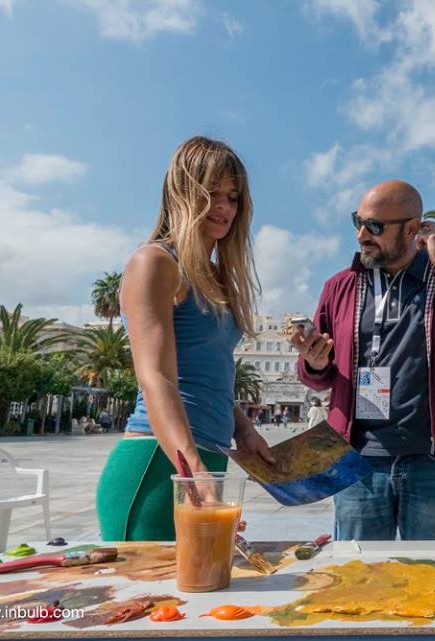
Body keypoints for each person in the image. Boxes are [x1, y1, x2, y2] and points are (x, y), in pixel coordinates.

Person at [292, 179, 435, 541]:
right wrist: (313, 362)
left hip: (432, 461)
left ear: (411, 229)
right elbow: (317, 377)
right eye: (358, 222)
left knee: (433, 571)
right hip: (357, 462)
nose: (361, 235)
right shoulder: (339, 287)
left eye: (374, 226)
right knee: (358, 571)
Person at [95, 136, 275, 541]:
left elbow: (208, 374)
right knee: (154, 584)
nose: (224, 207)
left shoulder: (217, 279)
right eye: (211, 194)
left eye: (232, 197)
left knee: (205, 582)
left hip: (205, 460)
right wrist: (192, 469)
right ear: (182, 193)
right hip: (159, 465)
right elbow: (156, 377)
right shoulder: (155, 262)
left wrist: (244, 430)